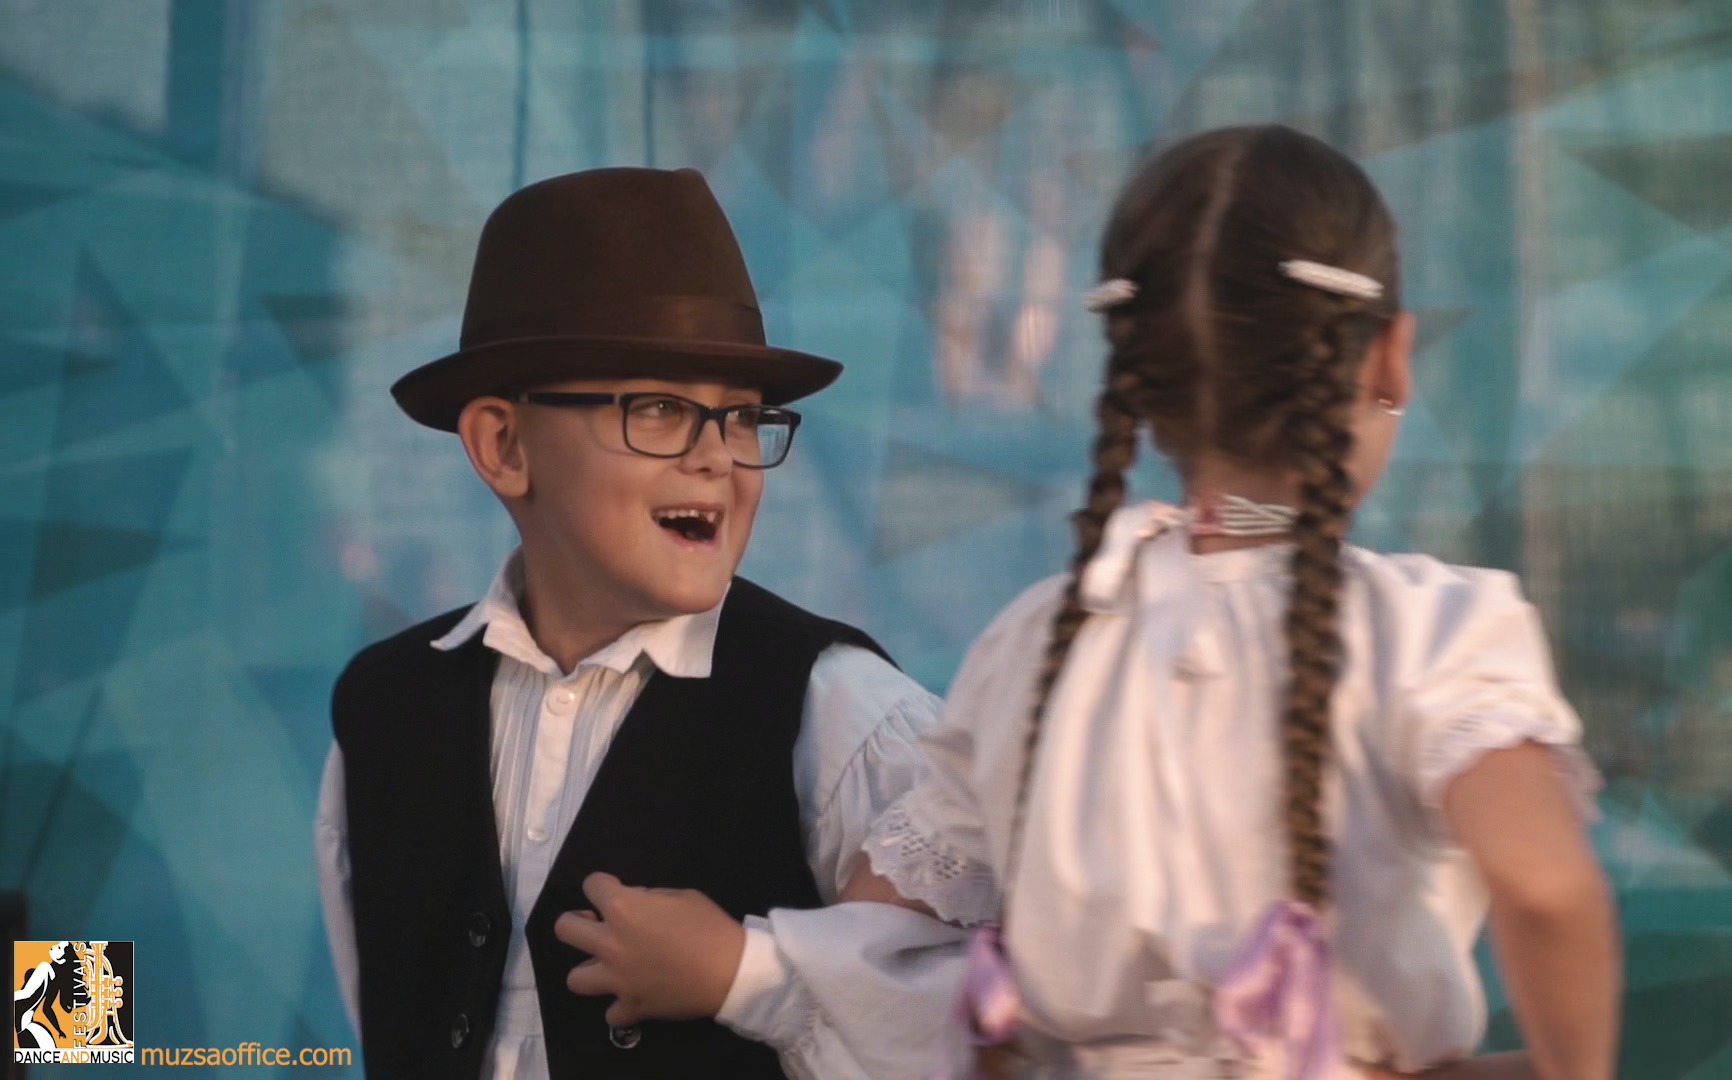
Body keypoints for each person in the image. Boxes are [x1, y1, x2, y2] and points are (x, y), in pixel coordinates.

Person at [857, 125, 1622, 1078]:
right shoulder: (1435, 632)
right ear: (1389, 359)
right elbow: (1545, 887)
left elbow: (878, 932)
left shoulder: (1034, 641)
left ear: (1143, 386)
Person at [313, 166, 961, 1079]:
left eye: (741, 419)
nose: (715, 458)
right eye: (658, 410)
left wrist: (751, 973)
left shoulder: (838, 710)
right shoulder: (385, 707)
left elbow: (970, 1015)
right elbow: (386, 1002)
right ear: (503, 446)